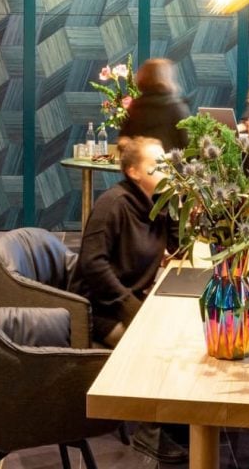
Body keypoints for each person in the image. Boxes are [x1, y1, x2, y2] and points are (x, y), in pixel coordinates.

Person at [67, 136, 188, 463]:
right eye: (157, 165)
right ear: (134, 171)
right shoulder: (114, 204)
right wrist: (128, 306)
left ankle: (176, 423)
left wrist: (176, 204)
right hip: (100, 310)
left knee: (182, 337)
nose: (166, 169)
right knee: (158, 348)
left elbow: (178, 248)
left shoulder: (157, 203)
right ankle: (152, 436)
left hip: (132, 300)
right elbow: (92, 263)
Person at [119, 58, 190, 151]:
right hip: (169, 165)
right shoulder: (177, 108)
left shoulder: (134, 109)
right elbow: (188, 149)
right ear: (167, 78)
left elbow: (123, 144)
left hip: (139, 165)